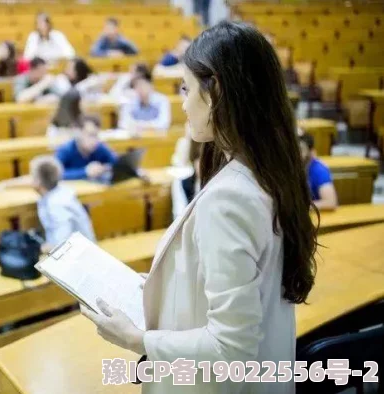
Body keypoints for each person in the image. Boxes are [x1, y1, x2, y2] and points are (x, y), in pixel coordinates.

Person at [81, 22, 318, 394]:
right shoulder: (270, 171)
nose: (182, 101)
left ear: (217, 92)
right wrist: (162, 285)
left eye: (186, 88)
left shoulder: (230, 197)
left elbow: (230, 349)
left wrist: (137, 340)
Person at [30, 155, 96, 253]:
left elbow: (61, 242)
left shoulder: (56, 205)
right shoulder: (60, 192)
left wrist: (37, 249)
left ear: (37, 182)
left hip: (77, 256)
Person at [55, 116, 117, 180]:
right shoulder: (65, 150)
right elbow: (55, 174)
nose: (95, 141)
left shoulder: (100, 147)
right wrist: (85, 172)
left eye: (97, 136)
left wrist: (104, 168)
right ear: (78, 133)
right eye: (91, 135)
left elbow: (118, 164)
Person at [299, 133, 338, 210]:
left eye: (301, 150)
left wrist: (301, 207)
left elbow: (331, 202)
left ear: (312, 152)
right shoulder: (295, 168)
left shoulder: (319, 170)